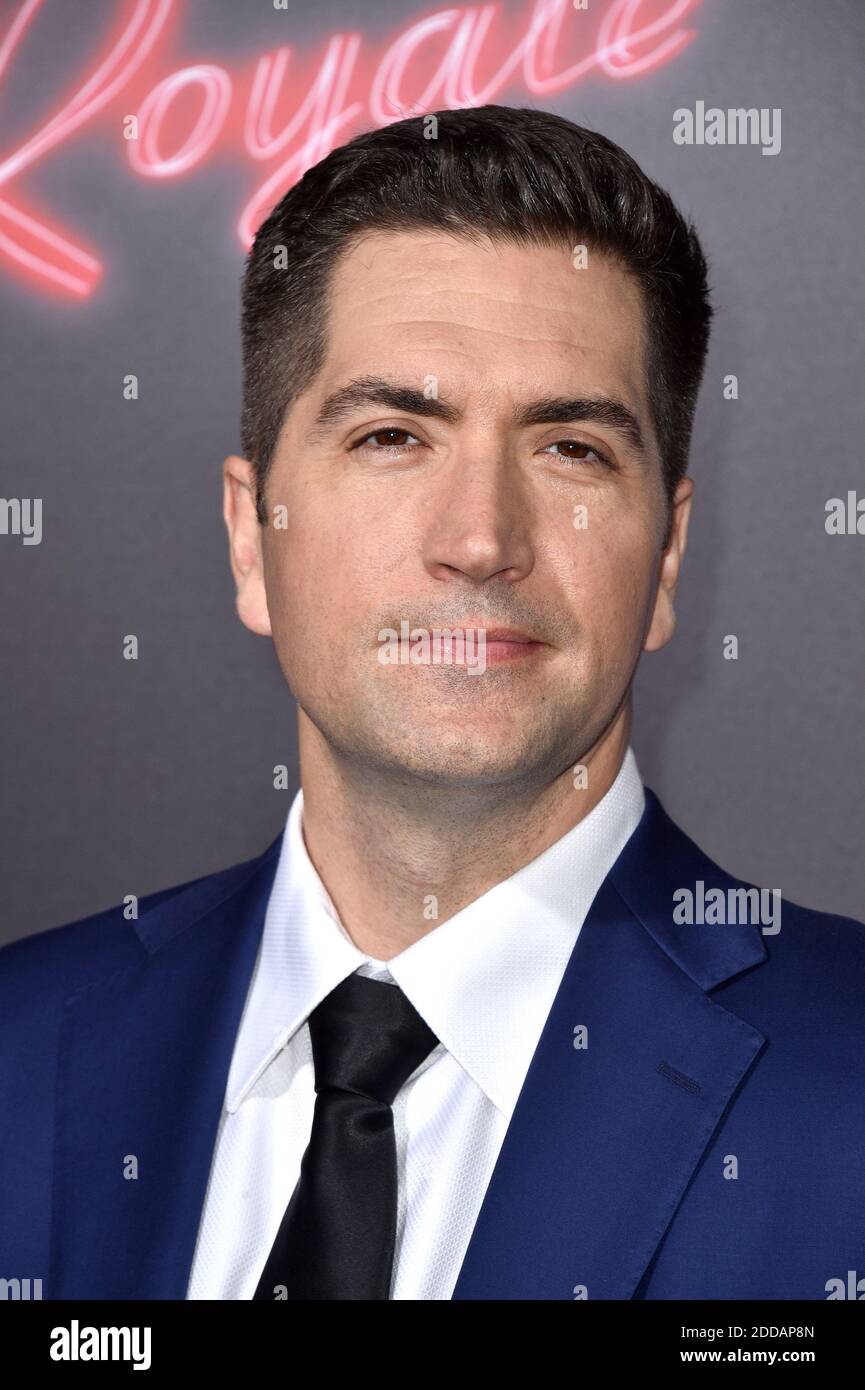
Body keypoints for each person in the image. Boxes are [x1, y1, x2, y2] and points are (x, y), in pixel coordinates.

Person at [1, 105, 863, 1302]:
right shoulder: (19, 1051)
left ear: (666, 557)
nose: (478, 539)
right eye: (394, 434)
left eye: (571, 449)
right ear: (253, 536)